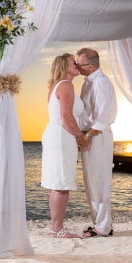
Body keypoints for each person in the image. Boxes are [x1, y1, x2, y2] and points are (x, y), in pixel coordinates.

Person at [41, 53, 90, 239]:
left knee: (58, 182)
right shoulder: (66, 85)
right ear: (63, 66)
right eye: (72, 62)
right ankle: (57, 229)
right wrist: (81, 138)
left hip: (58, 134)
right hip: (62, 134)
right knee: (61, 183)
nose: (77, 64)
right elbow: (67, 117)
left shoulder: (56, 87)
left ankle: (55, 227)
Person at [76, 47, 118, 238]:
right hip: (90, 135)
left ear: (90, 66)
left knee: (99, 182)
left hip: (97, 136)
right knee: (91, 182)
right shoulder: (88, 82)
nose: (77, 66)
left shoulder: (100, 83)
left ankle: (103, 227)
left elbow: (102, 116)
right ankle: (100, 224)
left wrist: (88, 137)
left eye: (80, 63)